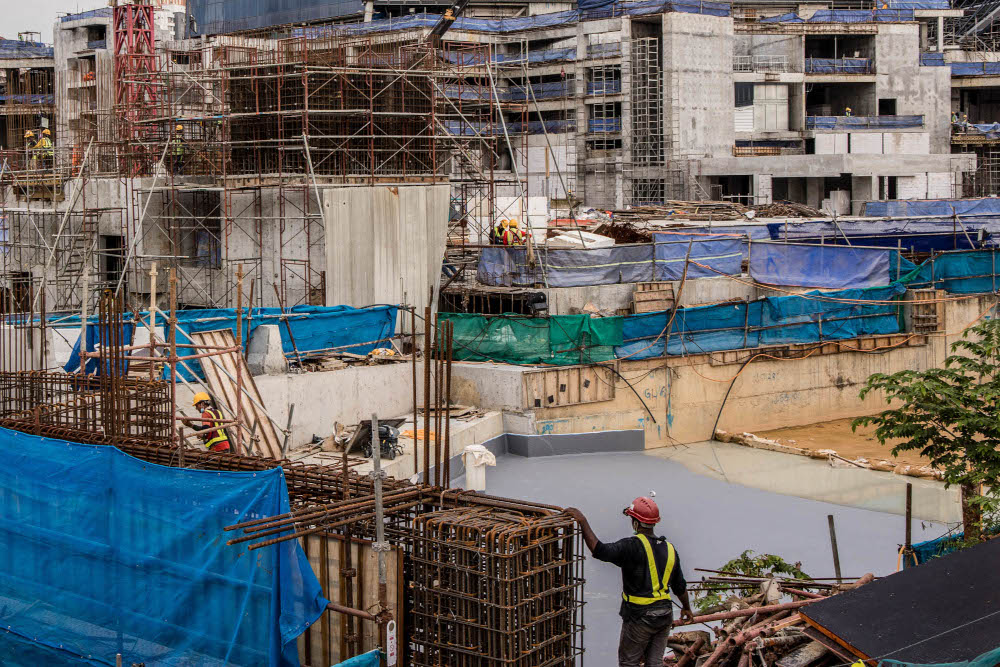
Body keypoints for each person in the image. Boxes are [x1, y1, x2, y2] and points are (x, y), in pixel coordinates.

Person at [565, 497, 694, 667]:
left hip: (640, 617)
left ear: (635, 522)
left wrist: (582, 521)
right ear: (655, 522)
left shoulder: (631, 546)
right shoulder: (670, 549)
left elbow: (599, 550)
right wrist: (686, 608)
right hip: (664, 614)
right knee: (654, 663)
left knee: (629, 663)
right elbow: (680, 586)